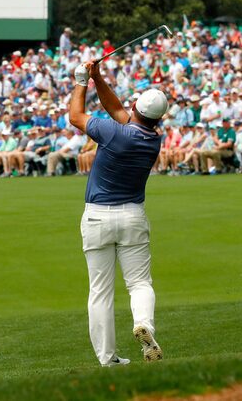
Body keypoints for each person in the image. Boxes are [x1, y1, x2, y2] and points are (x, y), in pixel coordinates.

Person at [70, 60, 166, 367]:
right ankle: (145, 326)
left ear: (136, 106)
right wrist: (98, 77)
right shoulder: (152, 138)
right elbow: (118, 111)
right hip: (132, 217)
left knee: (100, 292)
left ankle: (108, 359)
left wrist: (81, 81)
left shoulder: (113, 132)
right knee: (139, 283)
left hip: (97, 216)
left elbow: (75, 116)